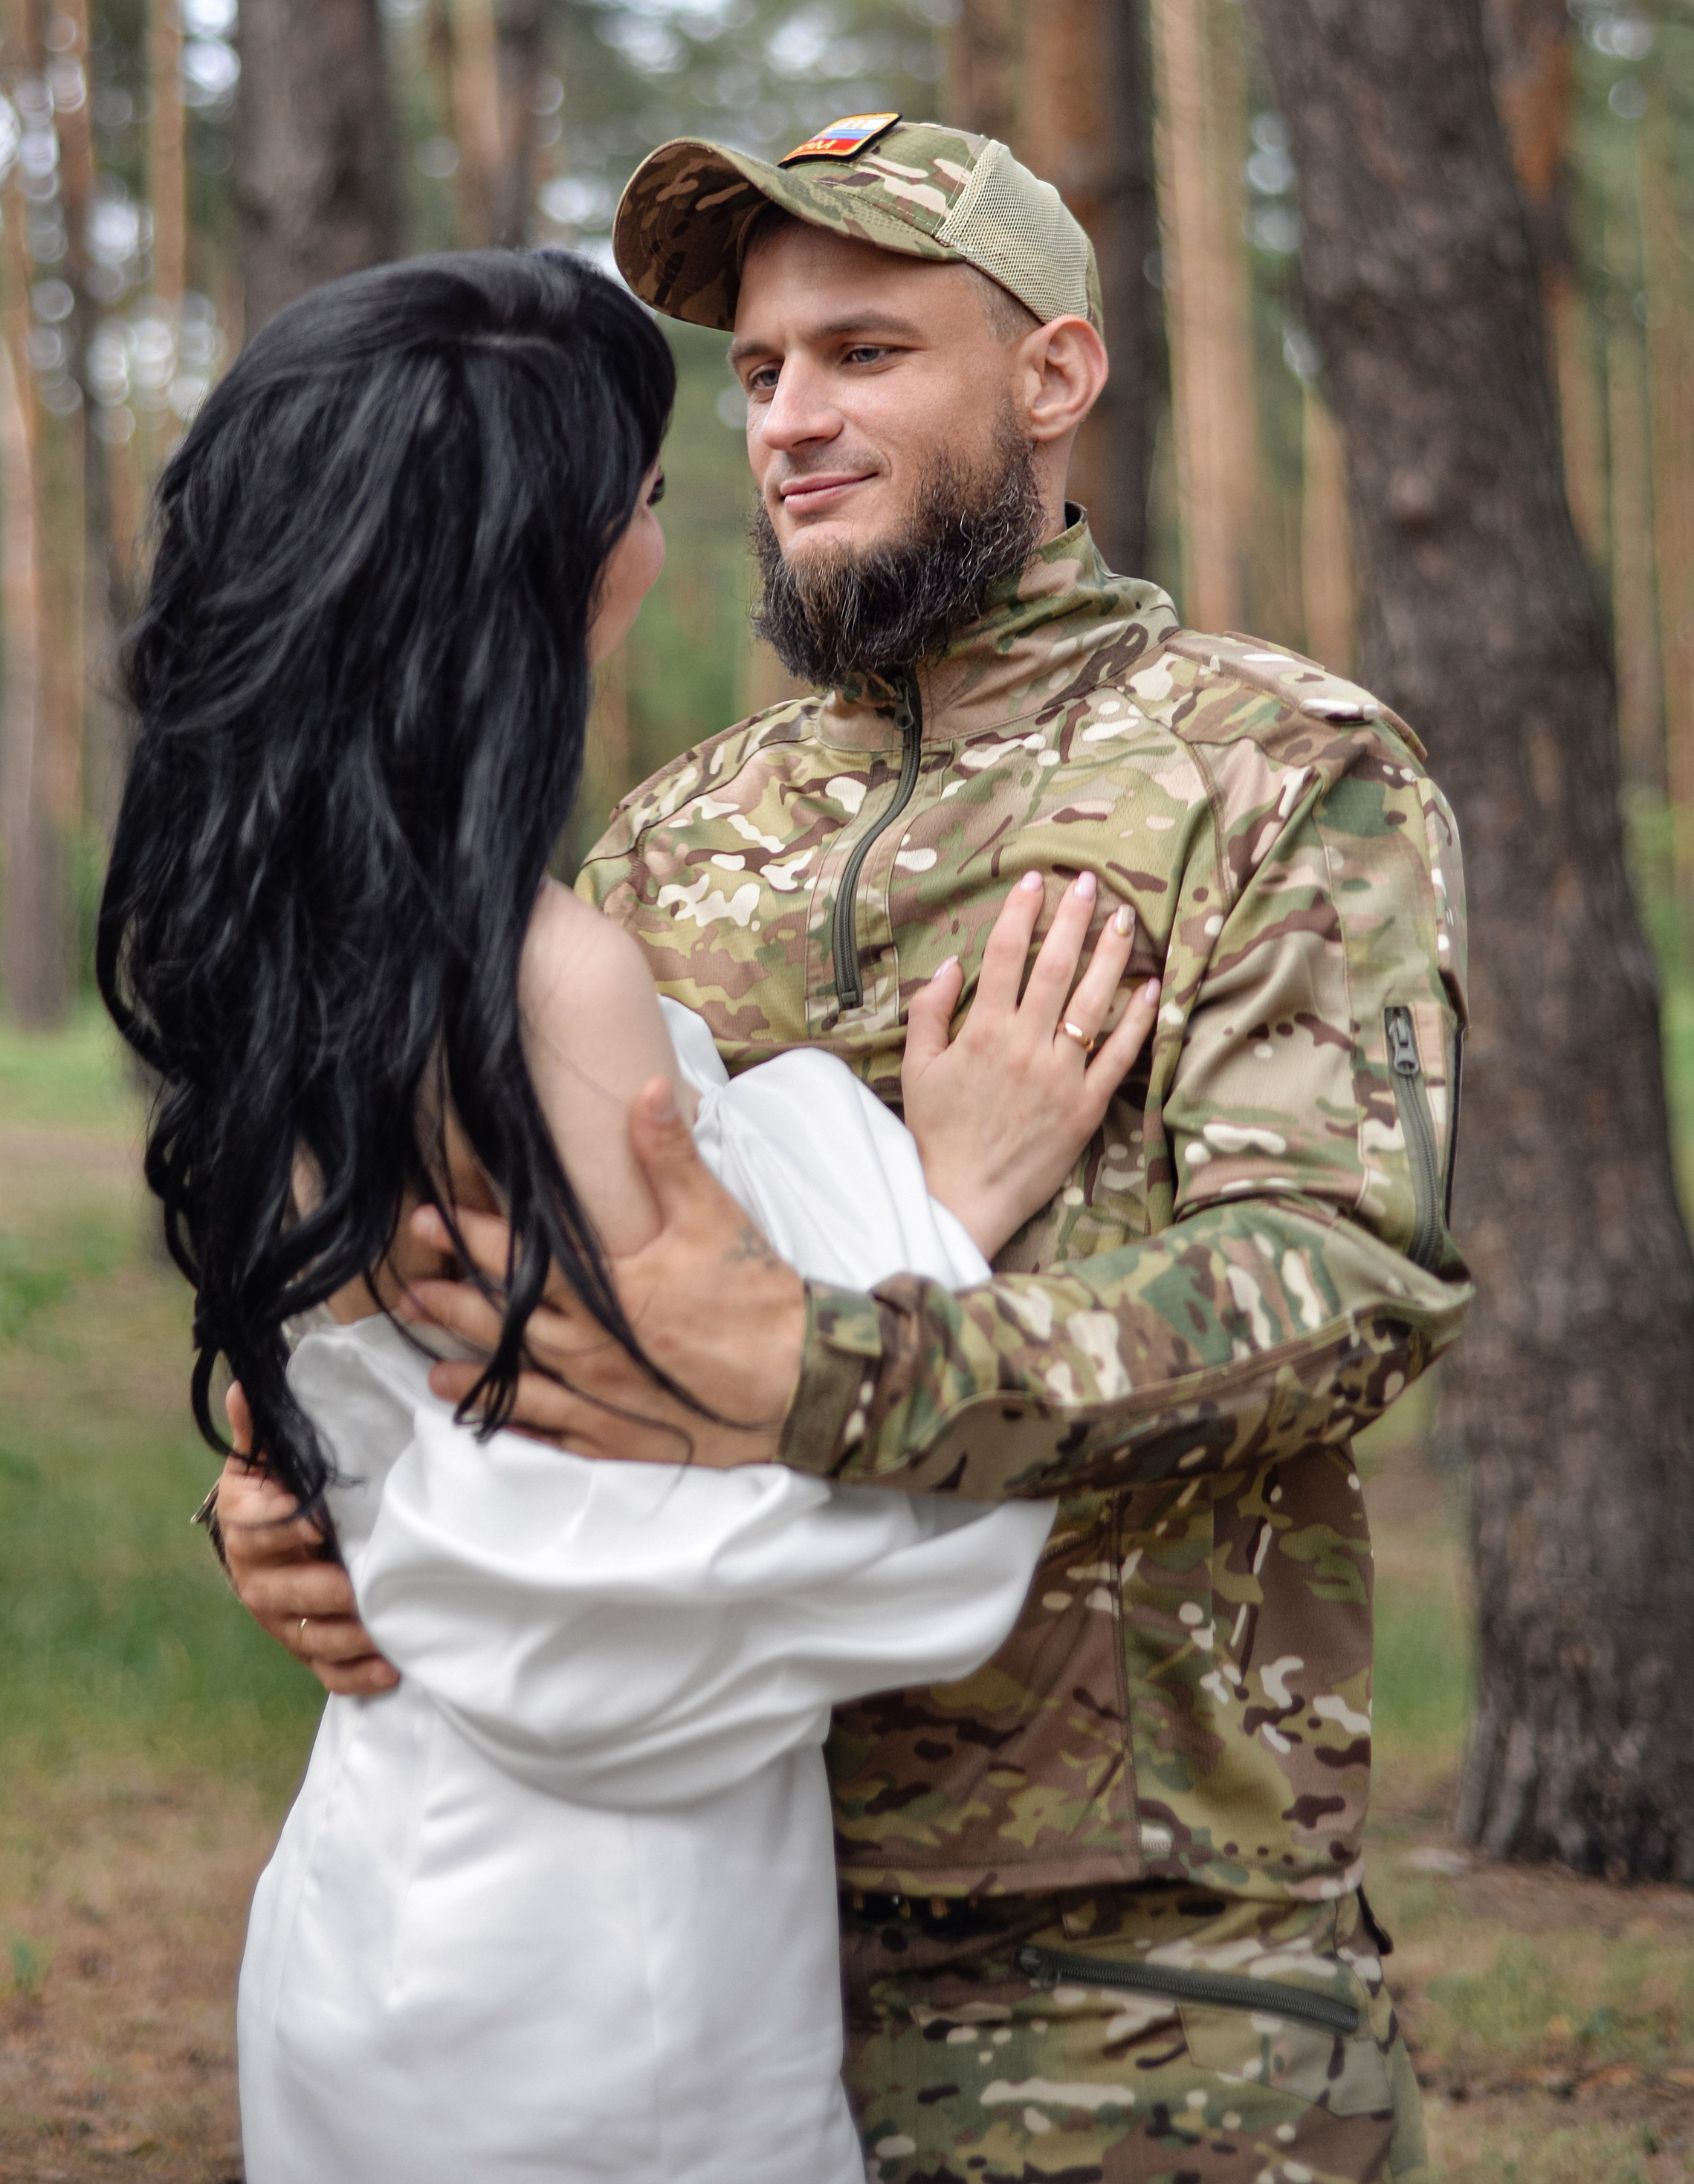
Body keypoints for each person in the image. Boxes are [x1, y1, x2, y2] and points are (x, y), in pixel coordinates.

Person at [219, 117, 1475, 2184]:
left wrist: (821, 1358)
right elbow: (475, 1300)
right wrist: (290, 1487)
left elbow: (1341, 1286)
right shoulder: (670, 835)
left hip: (1135, 1960)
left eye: (865, 352)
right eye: (758, 370)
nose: (788, 418)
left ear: (1053, 374)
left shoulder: (1273, 774)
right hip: (676, 1915)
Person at [103, 247, 1159, 2184]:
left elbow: (458, 1437)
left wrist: (296, 1487)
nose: (708, 503)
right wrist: (951, 1207)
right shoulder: (549, 976)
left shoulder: (287, 930)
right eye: (654, 487)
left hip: (378, 1892)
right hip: (595, 1964)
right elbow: (638, 1559)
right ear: (554, 560)